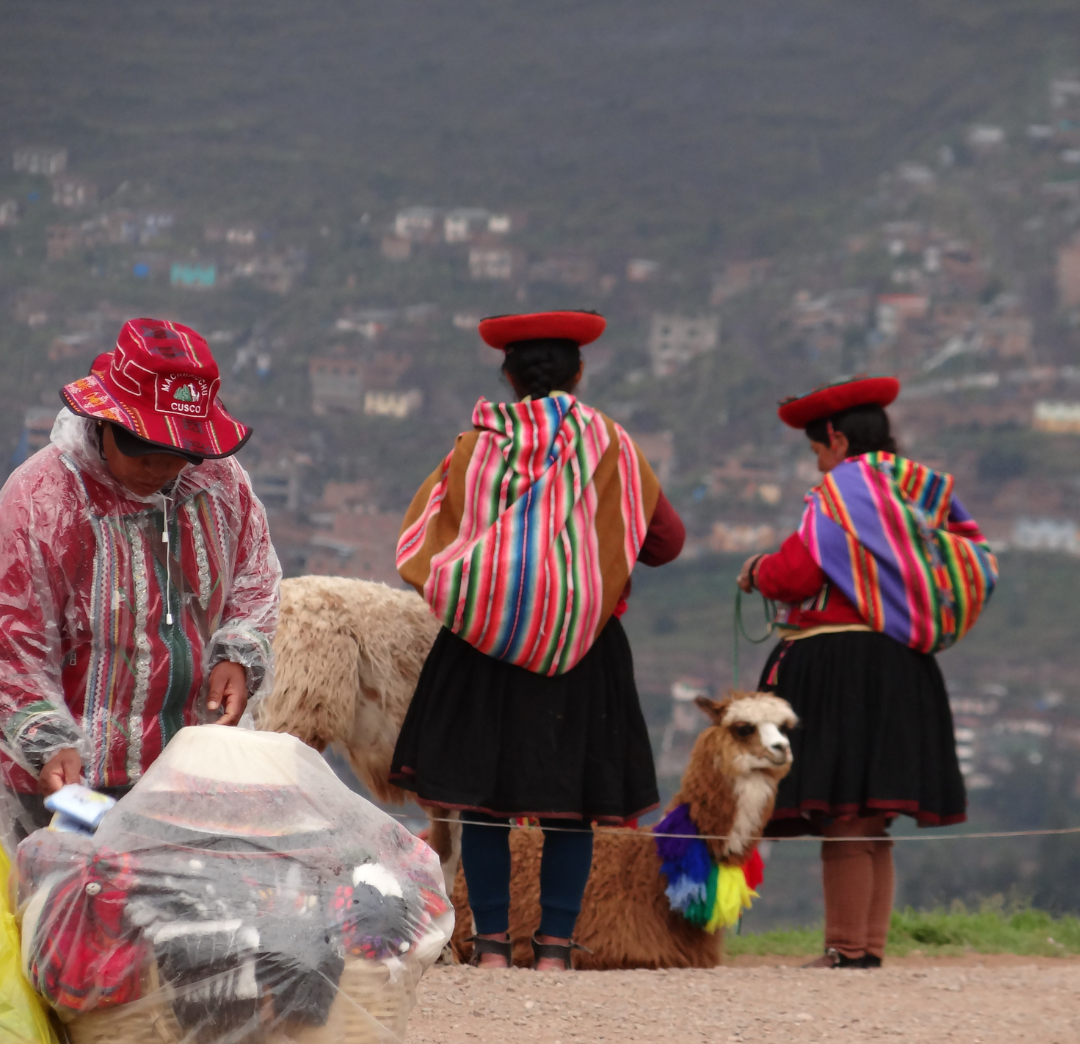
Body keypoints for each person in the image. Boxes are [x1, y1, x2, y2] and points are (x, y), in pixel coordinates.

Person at [390, 310, 685, 970]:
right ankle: (555, 948)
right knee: (570, 805)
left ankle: (491, 946)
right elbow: (667, 541)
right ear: (579, 375)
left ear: (507, 376)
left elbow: (423, 537)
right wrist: (592, 540)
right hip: (583, 650)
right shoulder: (613, 448)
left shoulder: (475, 449)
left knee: (484, 800)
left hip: (482, 649)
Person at [736, 375, 997, 968]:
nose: (820, 463)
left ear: (835, 437)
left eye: (817, 450)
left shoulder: (843, 493)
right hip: (905, 665)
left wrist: (758, 571)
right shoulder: (920, 492)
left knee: (847, 813)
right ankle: (866, 949)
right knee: (871, 818)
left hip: (845, 668)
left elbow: (798, 575)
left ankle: (846, 950)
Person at [0, 318, 281, 843]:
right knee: (67, 911)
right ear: (104, 423)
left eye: (177, 453)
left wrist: (239, 653)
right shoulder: (43, 499)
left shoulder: (218, 485)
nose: (160, 467)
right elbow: (13, 640)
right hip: (64, 781)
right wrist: (42, 735)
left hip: (181, 771)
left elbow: (255, 578)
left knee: (167, 912)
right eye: (143, 448)